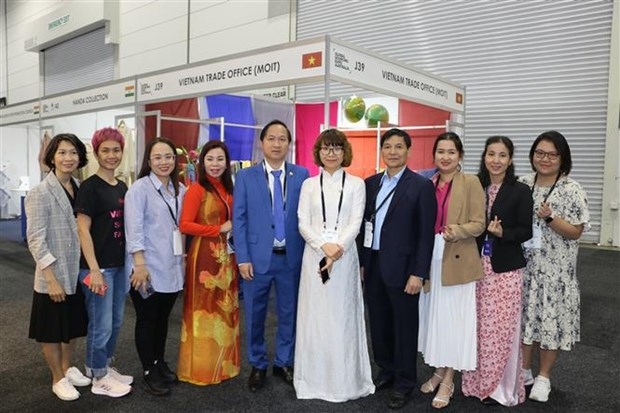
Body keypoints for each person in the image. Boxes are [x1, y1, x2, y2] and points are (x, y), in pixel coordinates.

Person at [294, 129, 375, 402]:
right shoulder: (308, 185)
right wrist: (322, 247)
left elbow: (356, 221)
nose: (331, 153)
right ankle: (314, 381)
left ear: (345, 152)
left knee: (342, 318)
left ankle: (344, 381)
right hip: (314, 256)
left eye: (336, 148)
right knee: (315, 317)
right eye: (326, 148)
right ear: (318, 152)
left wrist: (336, 249)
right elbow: (302, 222)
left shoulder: (356, 184)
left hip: (344, 256)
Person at [360, 128, 436, 410]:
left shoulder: (420, 186)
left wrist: (419, 273)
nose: (393, 151)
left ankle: (404, 382)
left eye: (399, 147)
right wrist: (361, 263)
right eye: (388, 146)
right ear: (382, 151)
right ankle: (387, 370)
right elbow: (362, 228)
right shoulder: (370, 184)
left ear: (408, 151)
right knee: (378, 322)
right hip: (374, 263)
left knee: (404, 326)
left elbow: (425, 235)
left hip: (404, 269)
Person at [232, 120, 309, 392]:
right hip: (255, 259)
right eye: (272, 139)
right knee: (254, 313)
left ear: (289, 144)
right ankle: (258, 364)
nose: (277, 144)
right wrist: (242, 257)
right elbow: (238, 219)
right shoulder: (245, 177)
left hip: (291, 259)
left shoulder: (302, 175)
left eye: (282, 139)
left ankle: (284, 361)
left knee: (289, 312)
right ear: (261, 143)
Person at [461, 136, 533, 406]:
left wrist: (504, 233)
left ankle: (498, 387)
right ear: (484, 156)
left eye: (502, 155)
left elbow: (526, 231)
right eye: (491, 154)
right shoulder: (473, 185)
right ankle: (476, 383)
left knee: (501, 331)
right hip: (474, 267)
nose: (496, 160)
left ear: (511, 159)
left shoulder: (521, 191)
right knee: (477, 328)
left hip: (505, 271)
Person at [519, 131, 589, 403]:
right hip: (524, 270)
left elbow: (575, 232)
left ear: (562, 158)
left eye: (552, 154)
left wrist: (550, 219)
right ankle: (523, 371)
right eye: (540, 153)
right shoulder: (522, 184)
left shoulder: (572, 189)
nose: (545, 159)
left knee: (550, 325)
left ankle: (544, 376)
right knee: (525, 323)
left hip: (556, 273)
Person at [418, 132, 485, 409]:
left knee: (455, 320)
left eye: (451, 152)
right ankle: (438, 369)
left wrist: (458, 230)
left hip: (456, 256)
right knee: (436, 318)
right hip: (429, 255)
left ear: (460, 156)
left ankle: (449, 378)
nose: (445, 157)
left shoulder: (470, 182)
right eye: (440, 151)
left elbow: (479, 223)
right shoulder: (427, 182)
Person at [26, 133, 91, 401]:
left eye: (73, 152)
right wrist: (51, 278)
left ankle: (67, 368)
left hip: (74, 270)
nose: (68, 158)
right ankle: (57, 377)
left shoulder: (80, 186)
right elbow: (35, 239)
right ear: (52, 157)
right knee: (52, 330)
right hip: (52, 274)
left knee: (71, 326)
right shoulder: (39, 192)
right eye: (62, 152)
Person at [124, 137, 186, 396]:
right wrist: (139, 264)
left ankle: (160, 362)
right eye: (158, 157)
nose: (164, 162)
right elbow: (134, 228)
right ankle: (149, 370)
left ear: (175, 159)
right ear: (148, 161)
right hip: (145, 267)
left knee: (163, 319)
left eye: (169, 156)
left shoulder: (180, 188)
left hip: (172, 265)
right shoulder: (139, 189)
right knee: (147, 319)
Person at [75, 127, 133, 398]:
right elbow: (82, 230)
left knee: (117, 321)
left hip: (119, 266)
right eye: (105, 150)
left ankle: (105, 365)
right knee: (101, 324)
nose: (111, 155)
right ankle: (97, 375)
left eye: (116, 150)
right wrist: (95, 270)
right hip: (97, 269)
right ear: (96, 153)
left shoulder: (121, 186)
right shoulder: (89, 188)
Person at [177, 141, 240, 385]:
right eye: (210, 159)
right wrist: (217, 229)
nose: (215, 164)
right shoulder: (196, 189)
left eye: (220, 159)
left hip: (227, 255)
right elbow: (185, 224)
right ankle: (202, 369)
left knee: (225, 307)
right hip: (204, 255)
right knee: (204, 309)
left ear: (227, 163)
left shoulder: (228, 188)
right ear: (202, 162)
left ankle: (224, 365)